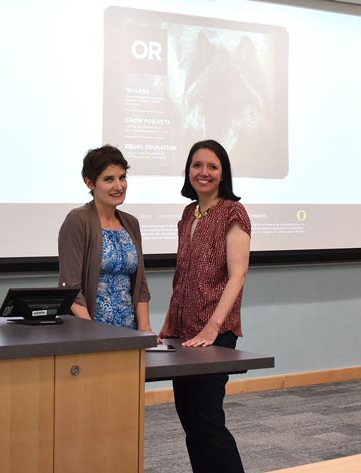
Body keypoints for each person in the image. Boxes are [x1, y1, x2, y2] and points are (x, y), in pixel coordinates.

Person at [160, 139, 251, 473]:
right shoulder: (188, 214)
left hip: (215, 334)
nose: (204, 172)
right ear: (188, 171)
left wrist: (212, 326)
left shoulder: (232, 212)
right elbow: (181, 276)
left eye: (212, 166)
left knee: (209, 422)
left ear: (223, 173)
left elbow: (237, 275)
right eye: (197, 165)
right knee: (191, 424)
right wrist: (168, 323)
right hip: (182, 335)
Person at [57, 145, 153, 335]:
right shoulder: (78, 220)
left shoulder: (131, 223)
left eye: (122, 177)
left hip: (130, 334)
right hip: (90, 333)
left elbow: (141, 286)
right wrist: (92, 334)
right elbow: (71, 288)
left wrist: (145, 331)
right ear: (90, 183)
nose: (119, 186)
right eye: (109, 179)